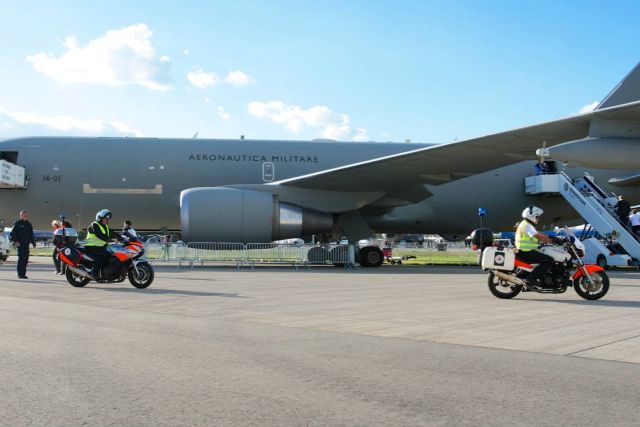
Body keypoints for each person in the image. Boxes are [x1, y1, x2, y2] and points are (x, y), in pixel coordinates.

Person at [515, 205, 555, 288]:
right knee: (548, 260)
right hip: (526, 251)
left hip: (525, 251)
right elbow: (538, 236)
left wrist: (551, 237)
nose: (538, 219)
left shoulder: (526, 224)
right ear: (532, 216)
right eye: (537, 217)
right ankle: (531, 279)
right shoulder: (527, 225)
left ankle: (528, 277)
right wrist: (551, 241)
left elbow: (538, 233)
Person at [84, 209, 122, 279]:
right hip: (91, 247)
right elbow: (100, 235)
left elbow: (112, 233)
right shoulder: (94, 225)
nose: (107, 220)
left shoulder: (105, 227)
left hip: (100, 247)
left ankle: (107, 273)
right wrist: (111, 239)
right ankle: (94, 273)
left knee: (111, 255)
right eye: (105, 219)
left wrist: (121, 237)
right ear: (100, 218)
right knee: (102, 256)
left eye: (108, 219)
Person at [9, 210, 36, 279]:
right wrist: (16, 241)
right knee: (21, 259)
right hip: (20, 245)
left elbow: (31, 234)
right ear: (20, 216)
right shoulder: (17, 223)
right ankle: (20, 274)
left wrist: (34, 243)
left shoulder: (29, 224)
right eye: (23, 215)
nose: (25, 216)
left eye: (26, 215)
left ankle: (23, 274)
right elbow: (12, 233)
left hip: (26, 245)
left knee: (25, 259)